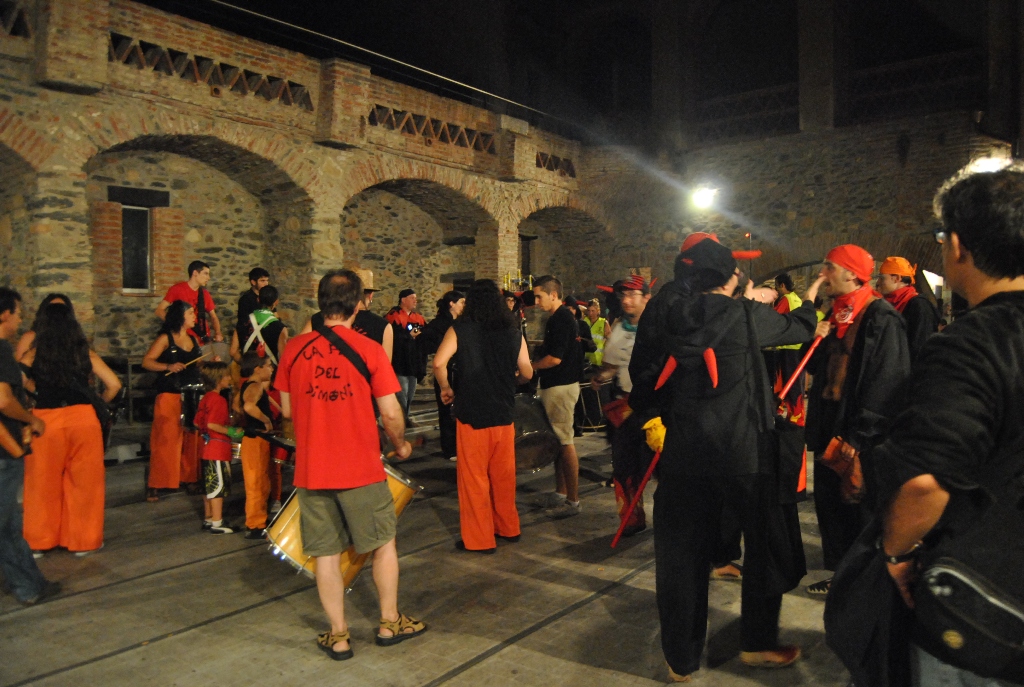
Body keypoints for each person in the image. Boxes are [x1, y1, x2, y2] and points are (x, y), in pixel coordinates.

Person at [628, 235, 824, 681]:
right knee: (764, 550)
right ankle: (756, 643)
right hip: (743, 456)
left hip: (684, 455)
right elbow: (798, 329)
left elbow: (644, 380)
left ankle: (681, 658)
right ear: (730, 275)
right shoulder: (746, 315)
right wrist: (809, 302)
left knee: (680, 559)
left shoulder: (665, 314)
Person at [868, 169, 1024, 686]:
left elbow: (926, 480)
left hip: (988, 609)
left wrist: (897, 553)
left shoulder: (972, 343)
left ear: (957, 246)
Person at [275, 269, 425, 659]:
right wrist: (401, 444)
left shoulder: (293, 349)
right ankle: (389, 622)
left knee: (325, 553)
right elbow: (391, 413)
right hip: (360, 467)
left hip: (312, 469)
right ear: (358, 304)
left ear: (320, 302)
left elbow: (288, 409)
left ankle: (339, 635)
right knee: (382, 544)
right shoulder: (369, 349)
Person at [804, 244, 911, 596]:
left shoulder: (880, 316)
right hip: (830, 426)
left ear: (852, 273)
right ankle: (842, 577)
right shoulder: (838, 314)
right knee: (833, 508)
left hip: (857, 431)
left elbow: (887, 379)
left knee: (858, 507)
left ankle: (863, 585)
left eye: (829, 267)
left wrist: (859, 435)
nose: (823, 274)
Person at [433, 280, 532, 553]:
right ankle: (508, 527)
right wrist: (512, 379)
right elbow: (527, 372)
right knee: (503, 476)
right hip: (503, 413)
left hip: (472, 414)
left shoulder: (460, 329)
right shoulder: (513, 330)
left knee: (474, 479)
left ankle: (479, 539)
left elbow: (439, 362)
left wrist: (446, 387)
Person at [20, 303, 121, 556]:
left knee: (41, 482)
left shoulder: (34, 353)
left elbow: (17, 382)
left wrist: (37, 393)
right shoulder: (84, 352)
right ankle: (84, 541)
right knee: (85, 483)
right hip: (83, 419)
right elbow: (114, 385)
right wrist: (96, 402)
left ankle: (39, 541)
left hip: (45, 420)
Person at [0, 287, 59, 605]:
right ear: (5, 314)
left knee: (9, 525)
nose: (20, 320)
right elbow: (2, 400)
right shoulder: (0, 350)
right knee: (4, 526)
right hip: (4, 454)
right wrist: (30, 420)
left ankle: (32, 583)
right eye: (18, 313)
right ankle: (27, 586)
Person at [589, 275, 652, 536]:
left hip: (654, 407)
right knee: (625, 468)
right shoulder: (617, 327)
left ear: (647, 297)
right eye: (622, 296)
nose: (626, 301)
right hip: (625, 406)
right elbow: (613, 365)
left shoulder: (659, 327)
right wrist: (603, 377)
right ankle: (632, 517)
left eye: (632, 295)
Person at [531, 275, 584, 518]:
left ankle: (573, 500)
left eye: (539, 296)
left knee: (565, 442)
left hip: (561, 387)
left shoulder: (562, 318)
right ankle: (561, 493)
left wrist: (530, 367)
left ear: (553, 295)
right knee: (558, 441)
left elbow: (555, 358)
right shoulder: (557, 318)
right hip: (557, 385)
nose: (536, 301)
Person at [141, 301, 204, 502]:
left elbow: (199, 366)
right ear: (180, 316)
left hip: (191, 395)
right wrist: (168, 365)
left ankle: (189, 477)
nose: (194, 316)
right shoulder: (165, 339)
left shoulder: (193, 340)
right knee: (166, 439)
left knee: (191, 438)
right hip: (169, 394)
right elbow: (147, 362)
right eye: (190, 313)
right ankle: (157, 482)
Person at [302, 269, 394, 360]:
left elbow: (300, 351)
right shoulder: (383, 326)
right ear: (371, 295)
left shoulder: (316, 319)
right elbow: (384, 367)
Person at [418, 290, 465, 461]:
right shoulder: (440, 323)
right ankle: (450, 448)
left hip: (459, 370)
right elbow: (427, 341)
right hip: (446, 370)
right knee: (447, 409)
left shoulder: (461, 322)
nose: (464, 306)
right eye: (461, 302)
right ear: (451, 304)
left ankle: (459, 445)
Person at [193, 361, 236, 535]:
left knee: (208, 486)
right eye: (226, 375)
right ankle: (218, 523)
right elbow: (213, 424)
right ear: (219, 379)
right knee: (218, 487)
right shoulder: (219, 400)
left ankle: (209, 517)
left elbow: (197, 422)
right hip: (218, 448)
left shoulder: (206, 398)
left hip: (206, 447)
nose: (229, 378)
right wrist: (233, 430)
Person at [875, 256, 940, 364]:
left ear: (896, 278)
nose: (878, 282)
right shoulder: (889, 303)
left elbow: (920, 349)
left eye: (882, 278)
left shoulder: (919, 306)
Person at [239, 352, 274, 539]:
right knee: (255, 483)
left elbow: (237, 407)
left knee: (261, 481)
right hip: (255, 440)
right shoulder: (255, 385)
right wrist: (266, 421)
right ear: (257, 368)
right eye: (268, 365)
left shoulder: (248, 384)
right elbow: (248, 406)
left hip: (256, 440)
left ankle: (259, 521)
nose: (271, 369)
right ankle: (255, 525)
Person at [155, 260, 223, 343]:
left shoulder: (205, 294)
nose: (208, 278)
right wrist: (176, 325)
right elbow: (159, 311)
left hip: (201, 337)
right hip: (183, 338)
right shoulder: (177, 289)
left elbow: (213, 316)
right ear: (195, 273)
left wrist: (218, 333)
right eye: (205, 273)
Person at [385, 288, 426, 421]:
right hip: (400, 362)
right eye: (412, 297)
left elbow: (425, 334)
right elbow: (393, 336)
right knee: (401, 394)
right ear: (403, 300)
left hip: (414, 362)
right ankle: (403, 420)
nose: (415, 300)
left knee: (410, 395)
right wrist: (409, 336)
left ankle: (405, 418)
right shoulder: (393, 316)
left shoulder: (418, 317)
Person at [230, 285, 288, 366]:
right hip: (269, 374)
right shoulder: (280, 327)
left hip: (248, 374)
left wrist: (246, 365)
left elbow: (233, 352)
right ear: (276, 302)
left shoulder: (243, 321)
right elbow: (284, 358)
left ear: (258, 299)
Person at [13, 293, 72, 362]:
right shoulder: (29, 338)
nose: (56, 314)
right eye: (52, 309)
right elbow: (19, 369)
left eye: (61, 310)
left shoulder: (76, 340)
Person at [236, 267, 270, 340]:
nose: (266, 284)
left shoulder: (268, 297)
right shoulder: (245, 299)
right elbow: (243, 323)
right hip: (252, 338)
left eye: (267, 280)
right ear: (253, 282)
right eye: (262, 281)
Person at [584, 298, 611, 368]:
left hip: (598, 360)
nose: (590, 313)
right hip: (585, 358)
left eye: (593, 311)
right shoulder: (584, 321)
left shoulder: (604, 323)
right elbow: (579, 308)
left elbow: (609, 342)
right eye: (589, 310)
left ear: (598, 311)